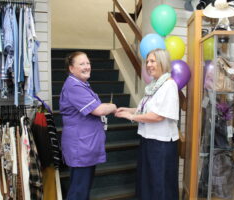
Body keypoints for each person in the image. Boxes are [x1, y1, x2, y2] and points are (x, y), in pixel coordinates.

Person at [115, 48, 179, 200]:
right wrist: (130, 109)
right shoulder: (154, 85)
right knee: (147, 179)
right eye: (147, 61)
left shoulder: (169, 85)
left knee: (158, 182)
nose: (148, 65)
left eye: (152, 61)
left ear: (162, 62)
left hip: (161, 143)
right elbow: (146, 109)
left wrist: (131, 116)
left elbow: (158, 116)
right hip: (148, 139)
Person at [59, 51, 117, 200]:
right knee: (78, 191)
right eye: (81, 64)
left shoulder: (82, 84)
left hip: (86, 146)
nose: (87, 66)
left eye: (88, 63)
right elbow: (98, 110)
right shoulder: (74, 86)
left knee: (82, 190)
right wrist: (113, 106)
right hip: (81, 147)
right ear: (71, 69)